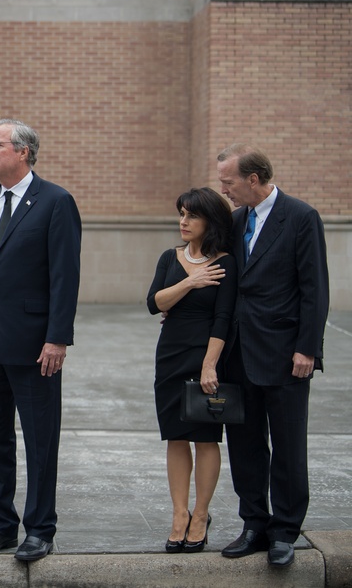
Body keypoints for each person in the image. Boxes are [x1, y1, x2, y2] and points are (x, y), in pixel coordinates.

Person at [0, 118, 81, 561]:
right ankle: (1, 525)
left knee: (41, 440)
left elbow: (65, 276)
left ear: (23, 152)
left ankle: (40, 529)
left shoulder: (56, 202)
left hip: (34, 346)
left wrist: (57, 338)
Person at [216, 143, 330, 568]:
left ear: (253, 179)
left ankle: (285, 531)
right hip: (238, 354)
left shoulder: (301, 218)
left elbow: (314, 290)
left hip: (285, 356)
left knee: (287, 446)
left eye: (228, 182)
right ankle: (254, 524)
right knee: (245, 445)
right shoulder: (235, 220)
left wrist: (307, 348)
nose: (223, 189)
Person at [146, 187, 236, 553]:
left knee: (206, 435)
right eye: (181, 214)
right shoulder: (170, 257)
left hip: (205, 356)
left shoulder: (226, 263)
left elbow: (224, 318)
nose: (183, 221)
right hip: (169, 355)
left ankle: (200, 515)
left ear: (209, 221)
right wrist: (190, 281)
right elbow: (154, 303)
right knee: (175, 435)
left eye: (191, 216)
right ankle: (179, 515)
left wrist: (210, 365)